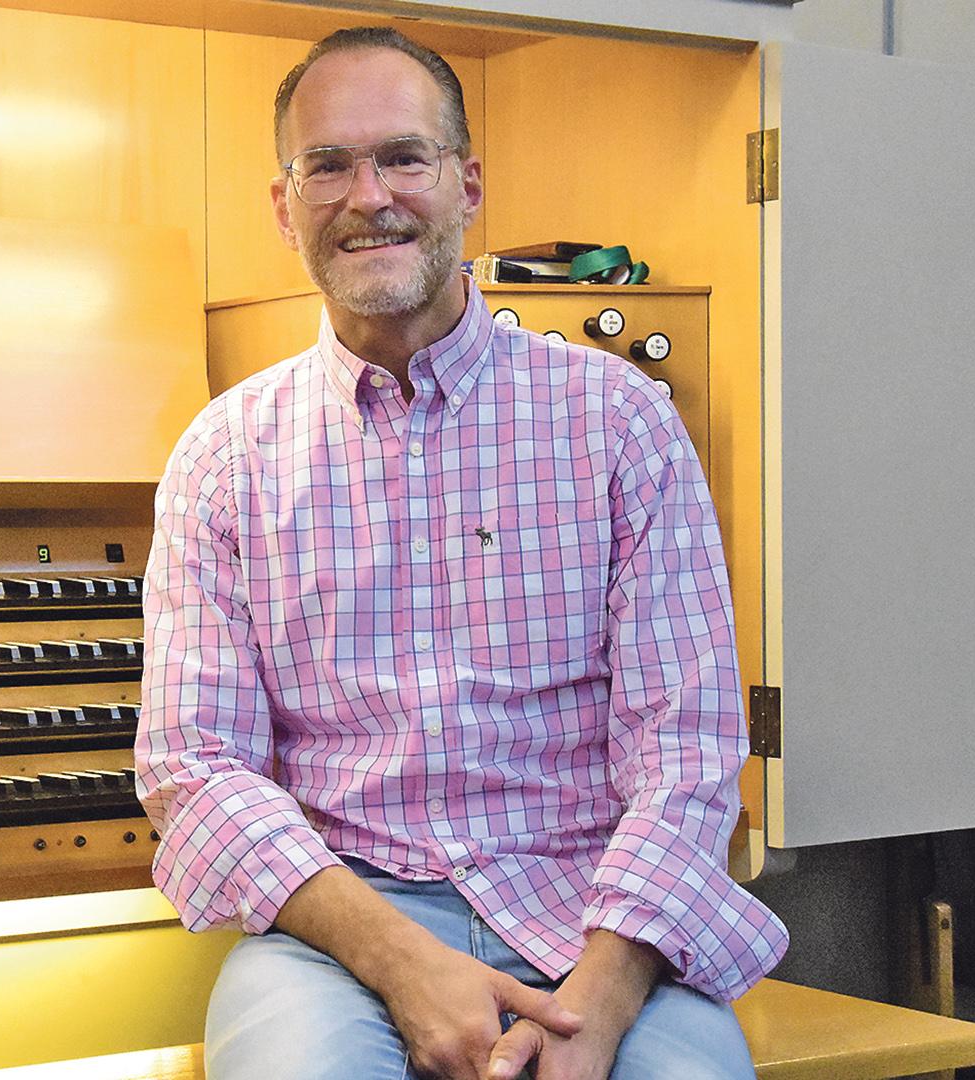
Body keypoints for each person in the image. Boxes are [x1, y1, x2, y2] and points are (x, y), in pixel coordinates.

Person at [136, 26, 788, 1080]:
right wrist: (404, 964)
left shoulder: (616, 421)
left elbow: (687, 753)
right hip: (340, 928)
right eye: (328, 166)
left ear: (467, 183)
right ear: (282, 204)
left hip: (597, 915)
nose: (369, 195)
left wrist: (600, 1009)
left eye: (403, 157)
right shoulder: (225, 455)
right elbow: (195, 770)